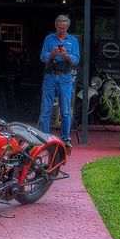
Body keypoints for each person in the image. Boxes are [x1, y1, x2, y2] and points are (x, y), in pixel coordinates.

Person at [38, 14, 80, 144]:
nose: (62, 30)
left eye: (64, 28)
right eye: (60, 28)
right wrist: (52, 54)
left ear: (67, 27)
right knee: (46, 109)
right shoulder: (49, 39)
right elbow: (42, 57)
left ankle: (65, 138)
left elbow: (76, 60)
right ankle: (45, 136)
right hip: (50, 75)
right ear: (56, 26)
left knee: (65, 110)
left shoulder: (73, 41)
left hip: (65, 77)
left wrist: (66, 55)